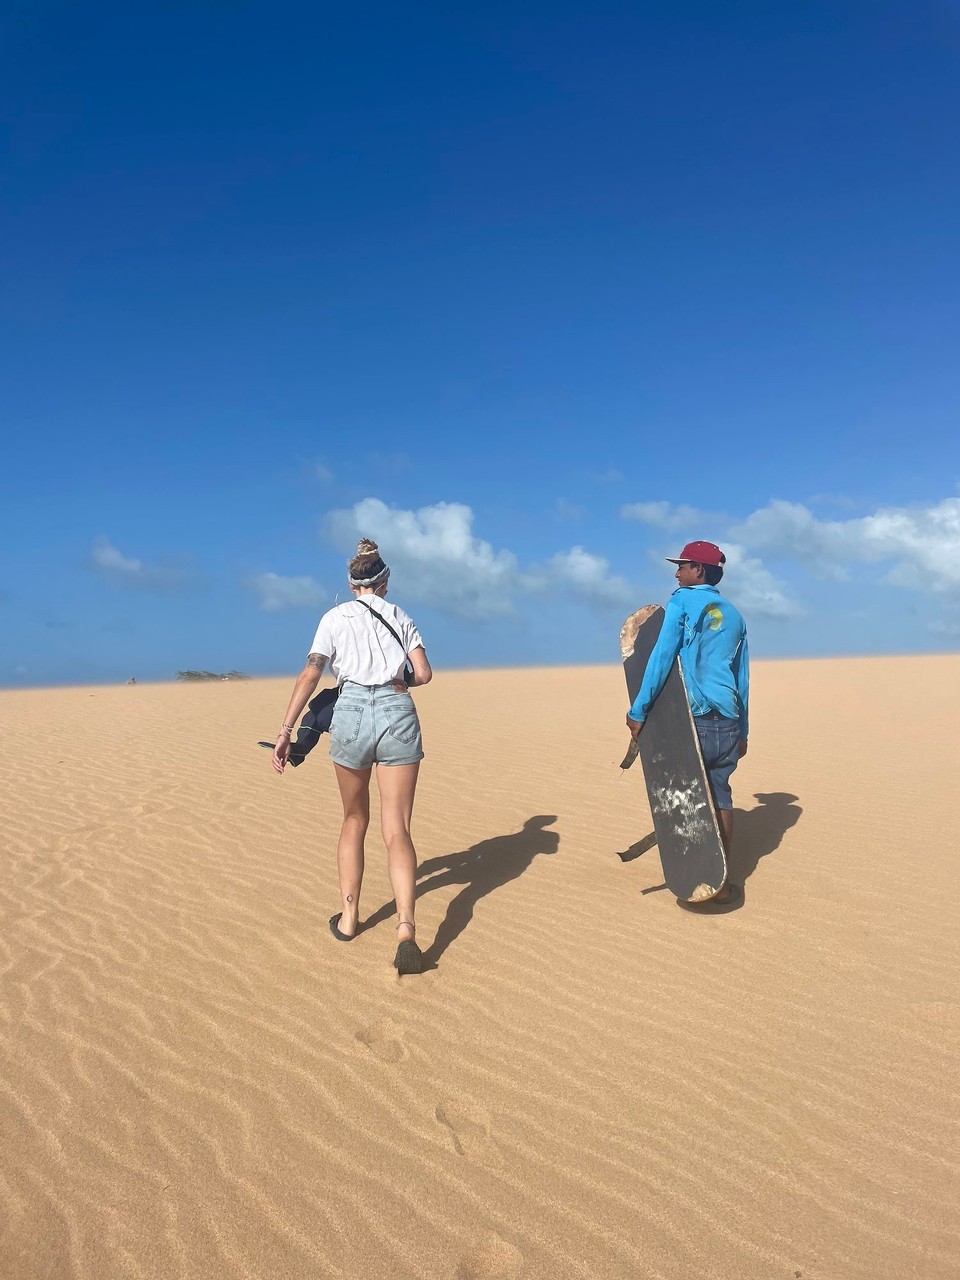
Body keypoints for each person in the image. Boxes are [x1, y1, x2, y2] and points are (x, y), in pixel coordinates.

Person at [272, 538, 433, 973]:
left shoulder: (333, 617)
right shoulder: (401, 616)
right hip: (397, 710)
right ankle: (405, 930)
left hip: (351, 714)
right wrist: (399, 683)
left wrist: (288, 730)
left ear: (350, 582)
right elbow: (423, 674)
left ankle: (348, 918)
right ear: (384, 581)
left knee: (354, 819)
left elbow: (312, 671)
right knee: (397, 828)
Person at [625, 540, 749, 905]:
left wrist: (639, 710)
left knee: (689, 796)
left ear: (700, 570)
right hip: (727, 718)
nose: (677, 572)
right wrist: (744, 730)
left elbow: (662, 658)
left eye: (683, 565)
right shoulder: (736, 615)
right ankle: (722, 883)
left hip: (693, 717)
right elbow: (742, 677)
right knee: (720, 795)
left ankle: (697, 873)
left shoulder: (680, 603)